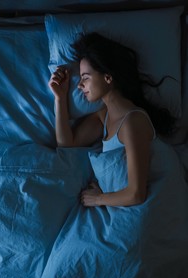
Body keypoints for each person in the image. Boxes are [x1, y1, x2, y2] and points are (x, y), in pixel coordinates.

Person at [48, 32, 176, 207]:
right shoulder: (104, 116)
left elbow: (136, 194)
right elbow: (66, 144)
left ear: (107, 77)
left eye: (85, 78)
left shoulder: (133, 121)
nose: (79, 85)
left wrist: (97, 199)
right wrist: (60, 98)